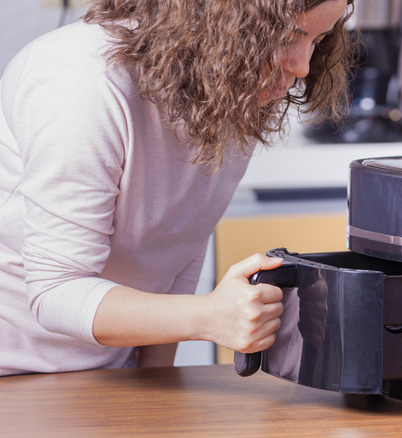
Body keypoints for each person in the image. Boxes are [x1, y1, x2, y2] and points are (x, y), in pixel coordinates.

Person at [0, 0, 355, 376]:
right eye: (286, 37)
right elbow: (56, 293)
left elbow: (176, 250)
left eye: (318, 40)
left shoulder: (227, 88)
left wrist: (154, 386)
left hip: (108, 375)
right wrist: (208, 316)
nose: (301, 66)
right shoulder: (80, 80)